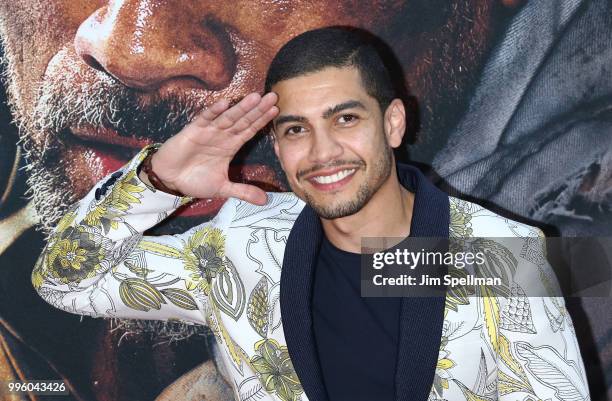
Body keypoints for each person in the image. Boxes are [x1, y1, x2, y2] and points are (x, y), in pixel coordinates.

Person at [33, 27, 589, 401]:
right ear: (276, 143)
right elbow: (66, 281)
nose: (322, 153)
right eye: (296, 129)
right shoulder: (241, 247)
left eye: (346, 119)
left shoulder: (500, 253)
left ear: (393, 123)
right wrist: (156, 182)